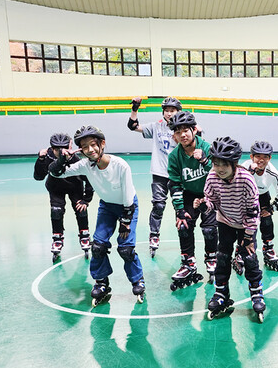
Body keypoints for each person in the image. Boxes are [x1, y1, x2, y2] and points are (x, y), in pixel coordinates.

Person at [49, 125, 145, 306]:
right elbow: (56, 173)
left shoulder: (120, 165)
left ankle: (138, 279)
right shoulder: (85, 165)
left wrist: (125, 221)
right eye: (84, 147)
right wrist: (62, 159)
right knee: (98, 246)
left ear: (102, 144)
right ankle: (102, 282)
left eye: (93, 144)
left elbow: (128, 197)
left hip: (128, 206)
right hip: (107, 207)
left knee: (126, 249)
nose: (90, 150)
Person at [195, 136, 266, 322]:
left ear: (234, 163)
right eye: (215, 163)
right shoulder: (212, 176)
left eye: (223, 164)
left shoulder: (246, 180)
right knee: (222, 257)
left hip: (245, 224)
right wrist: (204, 205)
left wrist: (249, 237)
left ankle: (256, 292)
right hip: (225, 221)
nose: (219, 169)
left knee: (249, 257)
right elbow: (212, 201)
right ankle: (221, 293)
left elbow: (253, 211)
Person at [166, 111, 218, 289]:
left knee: (210, 229)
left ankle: (211, 258)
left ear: (194, 130)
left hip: (209, 193)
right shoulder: (174, 156)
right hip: (188, 194)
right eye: (178, 132)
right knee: (184, 225)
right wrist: (179, 210)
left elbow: (220, 173)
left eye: (185, 130)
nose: (182, 135)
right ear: (174, 135)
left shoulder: (208, 148)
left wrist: (205, 161)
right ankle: (188, 262)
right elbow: (174, 185)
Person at [126, 96, 180, 257]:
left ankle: (184, 236)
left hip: (177, 175)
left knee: (180, 208)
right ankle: (154, 235)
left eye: (173, 111)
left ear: (178, 112)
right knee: (158, 205)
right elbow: (133, 126)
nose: (169, 114)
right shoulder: (157, 126)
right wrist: (135, 109)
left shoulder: (183, 127)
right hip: (159, 174)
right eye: (167, 110)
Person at [33, 132, 93, 262]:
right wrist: (40, 160)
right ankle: (57, 238)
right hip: (56, 188)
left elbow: (88, 177)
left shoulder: (74, 158)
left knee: (80, 208)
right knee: (56, 210)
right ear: (51, 148)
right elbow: (38, 177)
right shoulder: (48, 156)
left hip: (74, 186)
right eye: (56, 149)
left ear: (69, 147)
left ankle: (84, 235)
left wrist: (86, 199)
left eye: (63, 148)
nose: (60, 152)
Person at [233, 141, 278, 272]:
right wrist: (249, 173)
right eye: (258, 156)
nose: (261, 160)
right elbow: (234, 185)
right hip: (244, 197)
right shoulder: (244, 167)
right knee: (244, 225)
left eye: (265, 157)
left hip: (262, 196)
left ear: (270, 158)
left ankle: (268, 247)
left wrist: (272, 208)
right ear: (251, 157)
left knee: (266, 221)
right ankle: (239, 251)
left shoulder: (272, 172)